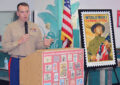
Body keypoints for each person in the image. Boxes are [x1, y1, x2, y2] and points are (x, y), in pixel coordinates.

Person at [2, 2, 53, 85]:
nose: (25, 14)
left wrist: (45, 44)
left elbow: (38, 45)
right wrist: (18, 41)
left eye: (27, 11)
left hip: (32, 61)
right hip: (16, 61)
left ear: (29, 12)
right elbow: (4, 47)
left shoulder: (35, 27)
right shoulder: (10, 27)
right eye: (22, 12)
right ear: (17, 13)